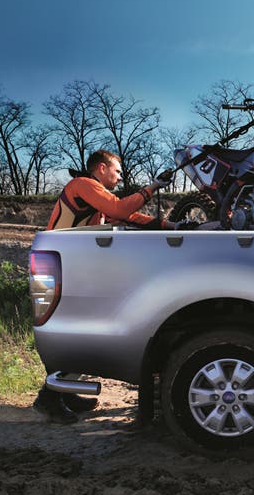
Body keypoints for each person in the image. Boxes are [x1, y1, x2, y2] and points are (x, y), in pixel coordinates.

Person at [33, 149, 180, 424]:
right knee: (69, 328)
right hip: (61, 265)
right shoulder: (83, 185)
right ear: (101, 168)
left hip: (70, 264)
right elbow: (119, 209)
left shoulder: (94, 196)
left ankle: (64, 392)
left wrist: (172, 225)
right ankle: (49, 399)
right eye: (117, 171)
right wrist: (153, 187)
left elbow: (128, 217)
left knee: (80, 327)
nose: (120, 176)